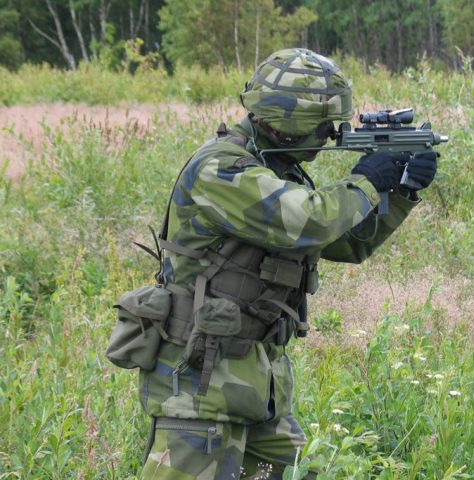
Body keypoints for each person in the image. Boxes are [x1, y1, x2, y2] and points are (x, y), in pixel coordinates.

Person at [138, 48, 437, 479]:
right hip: (199, 385)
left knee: (303, 472)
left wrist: (401, 191)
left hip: (254, 386)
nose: (332, 131)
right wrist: (367, 179)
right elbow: (309, 220)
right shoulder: (222, 170)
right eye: (323, 120)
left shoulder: (279, 170)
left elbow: (344, 243)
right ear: (289, 119)